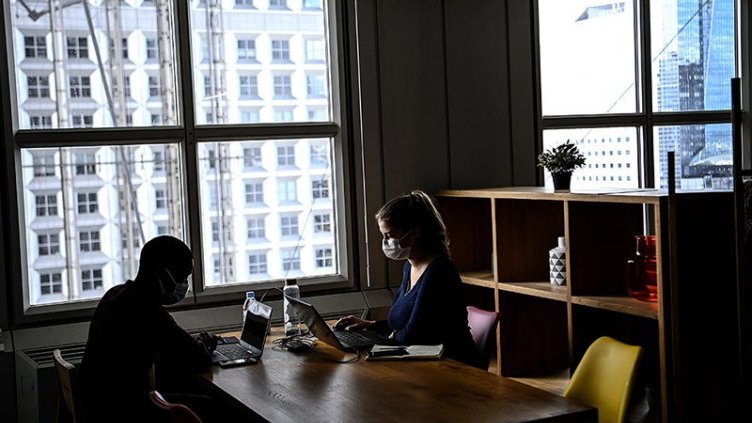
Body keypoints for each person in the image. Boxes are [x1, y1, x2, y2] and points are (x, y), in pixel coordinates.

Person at [79, 235, 218, 422]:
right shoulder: (148, 311)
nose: (184, 284)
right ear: (158, 271)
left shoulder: (114, 295)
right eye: (181, 276)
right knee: (217, 407)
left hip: (99, 406)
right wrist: (205, 345)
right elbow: (198, 360)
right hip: (124, 412)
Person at [335, 190, 481, 367]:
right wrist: (370, 325)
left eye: (389, 235)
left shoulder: (439, 271)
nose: (385, 242)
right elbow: (404, 321)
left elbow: (416, 332)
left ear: (414, 234)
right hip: (421, 360)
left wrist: (388, 338)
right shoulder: (409, 267)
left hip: (452, 365)